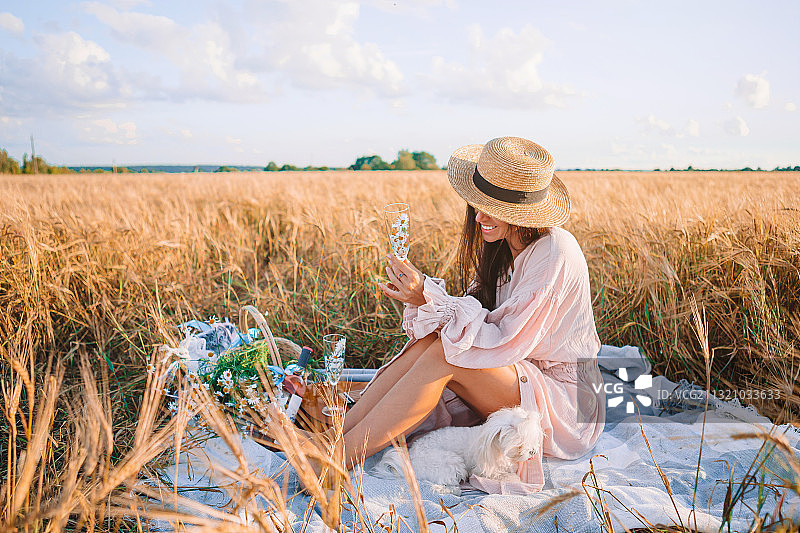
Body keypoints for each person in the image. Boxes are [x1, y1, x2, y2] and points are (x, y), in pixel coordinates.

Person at [316, 136, 605, 492]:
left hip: (568, 402)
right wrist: (422, 299)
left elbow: (506, 341)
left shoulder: (554, 252)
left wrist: (431, 297)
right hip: (521, 374)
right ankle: (332, 440)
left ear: (524, 212)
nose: (479, 215)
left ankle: (335, 460)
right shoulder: (499, 246)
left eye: (493, 207)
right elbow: (471, 321)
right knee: (437, 343)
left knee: (447, 354)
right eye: (477, 203)